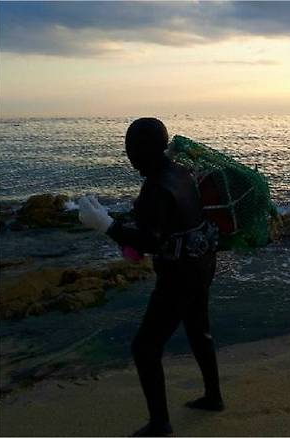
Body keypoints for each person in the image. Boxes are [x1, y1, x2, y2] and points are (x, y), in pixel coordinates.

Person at [78, 118, 224, 437]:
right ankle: (213, 397)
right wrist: (118, 222)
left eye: (131, 147)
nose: (127, 154)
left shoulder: (155, 187)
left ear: (144, 149)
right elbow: (171, 221)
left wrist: (105, 225)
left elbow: (149, 242)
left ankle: (160, 423)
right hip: (203, 263)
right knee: (199, 330)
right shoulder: (181, 172)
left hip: (179, 276)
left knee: (145, 347)